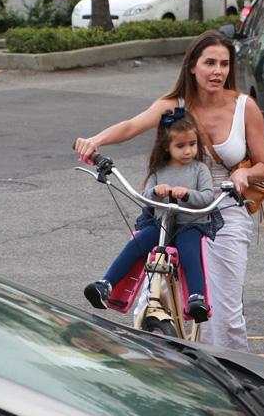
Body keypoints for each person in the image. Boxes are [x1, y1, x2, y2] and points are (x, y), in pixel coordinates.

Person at [75, 30, 264, 351]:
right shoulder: (174, 105)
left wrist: (245, 173)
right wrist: (96, 141)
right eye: (210, 63)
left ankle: (232, 373)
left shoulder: (245, 107)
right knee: (153, 294)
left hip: (225, 204)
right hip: (174, 208)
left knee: (223, 309)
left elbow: (263, 166)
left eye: (224, 64)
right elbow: (131, 125)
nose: (218, 71)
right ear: (192, 66)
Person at [83, 107, 222, 322]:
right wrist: (155, 192)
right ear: (167, 147)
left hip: (191, 224)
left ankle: (196, 297)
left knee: (189, 251)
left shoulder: (199, 169)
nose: (188, 151)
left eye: (192, 144)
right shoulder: (159, 170)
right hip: (162, 223)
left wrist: (187, 194)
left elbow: (207, 198)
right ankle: (106, 284)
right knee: (137, 244)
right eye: (181, 146)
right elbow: (146, 195)